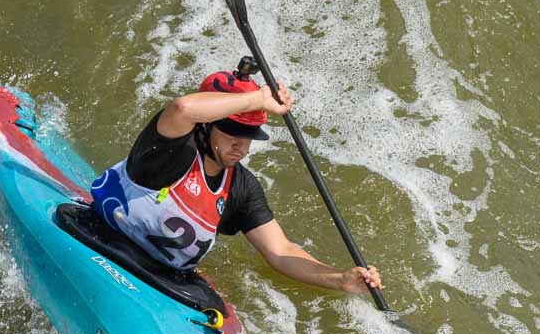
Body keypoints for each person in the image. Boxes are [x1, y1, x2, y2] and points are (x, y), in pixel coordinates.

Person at [90, 62, 382, 296]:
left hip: (164, 279)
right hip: (99, 237)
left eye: (248, 137)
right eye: (231, 133)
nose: (241, 146)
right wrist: (258, 99)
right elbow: (182, 108)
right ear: (205, 127)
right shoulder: (169, 147)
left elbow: (280, 251)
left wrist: (340, 279)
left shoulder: (241, 188)